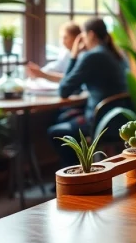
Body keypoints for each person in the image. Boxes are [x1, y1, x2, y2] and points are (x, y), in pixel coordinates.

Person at [49, 18, 128, 167]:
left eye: (83, 36)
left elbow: (64, 90)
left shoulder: (93, 56)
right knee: (63, 116)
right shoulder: (115, 54)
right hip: (118, 118)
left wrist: (74, 55)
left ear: (90, 35)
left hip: (101, 122)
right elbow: (77, 87)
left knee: (55, 131)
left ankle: (75, 174)